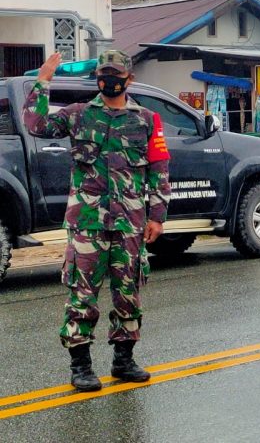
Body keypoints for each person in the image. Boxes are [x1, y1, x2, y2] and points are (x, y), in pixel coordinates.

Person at [23, 50, 171, 392]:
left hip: (130, 224)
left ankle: (123, 360)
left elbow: (159, 169)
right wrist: (43, 81)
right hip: (87, 223)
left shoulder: (147, 120)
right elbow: (36, 124)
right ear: (98, 78)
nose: (109, 79)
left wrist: (158, 217)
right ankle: (81, 366)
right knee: (82, 295)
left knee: (128, 292)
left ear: (128, 78)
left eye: (115, 73)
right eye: (104, 73)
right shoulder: (78, 115)